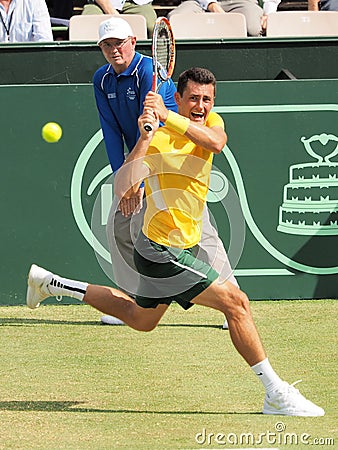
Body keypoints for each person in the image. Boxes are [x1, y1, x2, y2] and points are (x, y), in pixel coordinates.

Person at [26, 67, 324, 417]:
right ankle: (275, 393)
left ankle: (53, 284)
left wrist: (167, 117)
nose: (200, 105)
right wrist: (145, 137)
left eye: (206, 99)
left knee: (139, 318)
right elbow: (125, 187)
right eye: (193, 98)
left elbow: (216, 143)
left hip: (185, 245)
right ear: (179, 98)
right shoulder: (159, 138)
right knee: (237, 303)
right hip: (159, 250)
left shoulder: (212, 123)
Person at [93, 17, 236, 328]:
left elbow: (163, 124)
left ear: (132, 41)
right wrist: (129, 179)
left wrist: (144, 176)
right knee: (118, 230)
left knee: (202, 233)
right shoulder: (101, 80)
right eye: (107, 44)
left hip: (171, 162)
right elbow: (110, 131)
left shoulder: (148, 70)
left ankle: (231, 298)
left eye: (119, 42)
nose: (114, 49)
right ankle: (129, 299)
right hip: (139, 159)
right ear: (101, 48)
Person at [168, 0, 264, 37]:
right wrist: (211, 4)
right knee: (175, 21)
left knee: (254, 28)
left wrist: (269, 14)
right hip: (197, 2)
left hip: (242, 2)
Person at [82, 0, 157, 37]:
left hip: (137, 3)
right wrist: (110, 11)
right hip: (99, 3)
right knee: (87, 27)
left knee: (152, 27)